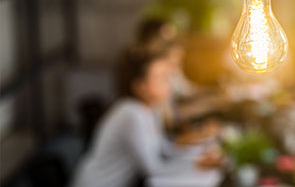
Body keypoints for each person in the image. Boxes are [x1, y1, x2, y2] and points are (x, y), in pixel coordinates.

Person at [71, 44, 221, 187]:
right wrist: (198, 164)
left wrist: (201, 157)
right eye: (161, 78)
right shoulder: (130, 113)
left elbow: (166, 150)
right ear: (139, 86)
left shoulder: (149, 109)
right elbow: (154, 169)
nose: (168, 84)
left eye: (167, 77)